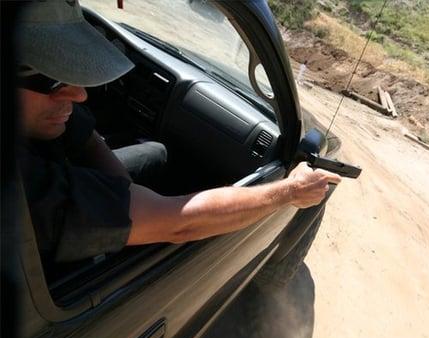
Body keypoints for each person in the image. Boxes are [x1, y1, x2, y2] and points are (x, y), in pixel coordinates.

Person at [16, 0, 341, 264]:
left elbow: (84, 134)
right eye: (53, 79)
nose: (79, 94)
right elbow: (180, 224)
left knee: (156, 152)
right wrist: (289, 191)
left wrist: (122, 195)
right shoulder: (30, 194)